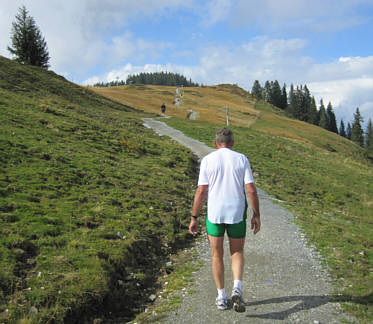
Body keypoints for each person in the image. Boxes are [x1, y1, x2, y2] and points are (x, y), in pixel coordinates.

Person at [189, 128, 260, 312]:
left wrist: (194, 217)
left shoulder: (207, 160)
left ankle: (221, 296)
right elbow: (251, 189)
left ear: (215, 143)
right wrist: (256, 214)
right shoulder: (242, 159)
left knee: (216, 255)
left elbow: (201, 191)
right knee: (237, 252)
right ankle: (237, 287)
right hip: (236, 212)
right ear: (233, 143)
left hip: (215, 214)